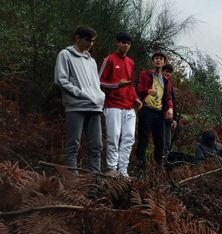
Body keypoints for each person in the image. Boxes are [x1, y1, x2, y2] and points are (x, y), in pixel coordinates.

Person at [54, 25, 105, 174]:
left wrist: (99, 95)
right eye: (88, 40)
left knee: (96, 147)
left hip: (94, 107)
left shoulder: (92, 61)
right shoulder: (65, 55)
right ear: (77, 38)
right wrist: (80, 93)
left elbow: (96, 84)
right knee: (73, 146)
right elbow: (61, 80)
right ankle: (73, 185)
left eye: (93, 41)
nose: (91, 44)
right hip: (76, 106)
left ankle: (95, 183)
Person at [99, 32, 142, 177]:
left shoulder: (131, 62)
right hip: (113, 105)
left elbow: (130, 85)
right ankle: (112, 170)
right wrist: (116, 85)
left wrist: (136, 98)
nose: (126, 45)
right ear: (117, 43)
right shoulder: (109, 59)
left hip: (129, 106)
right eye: (123, 42)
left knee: (129, 138)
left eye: (128, 43)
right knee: (113, 137)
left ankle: (123, 171)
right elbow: (99, 82)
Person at [136, 52, 173, 169]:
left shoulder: (166, 80)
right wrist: (147, 91)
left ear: (164, 62)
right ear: (153, 61)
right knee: (143, 140)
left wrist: (170, 108)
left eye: (161, 59)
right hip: (146, 110)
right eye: (156, 58)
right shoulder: (145, 74)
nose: (158, 60)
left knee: (160, 142)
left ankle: (158, 169)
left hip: (159, 113)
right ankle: (140, 168)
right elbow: (138, 89)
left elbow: (168, 96)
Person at [162, 64, 178, 159]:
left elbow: (173, 102)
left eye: (170, 72)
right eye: (166, 71)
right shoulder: (157, 81)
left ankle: (164, 165)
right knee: (160, 142)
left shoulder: (169, 85)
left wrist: (174, 119)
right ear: (162, 71)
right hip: (157, 116)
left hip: (168, 118)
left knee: (167, 143)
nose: (168, 73)